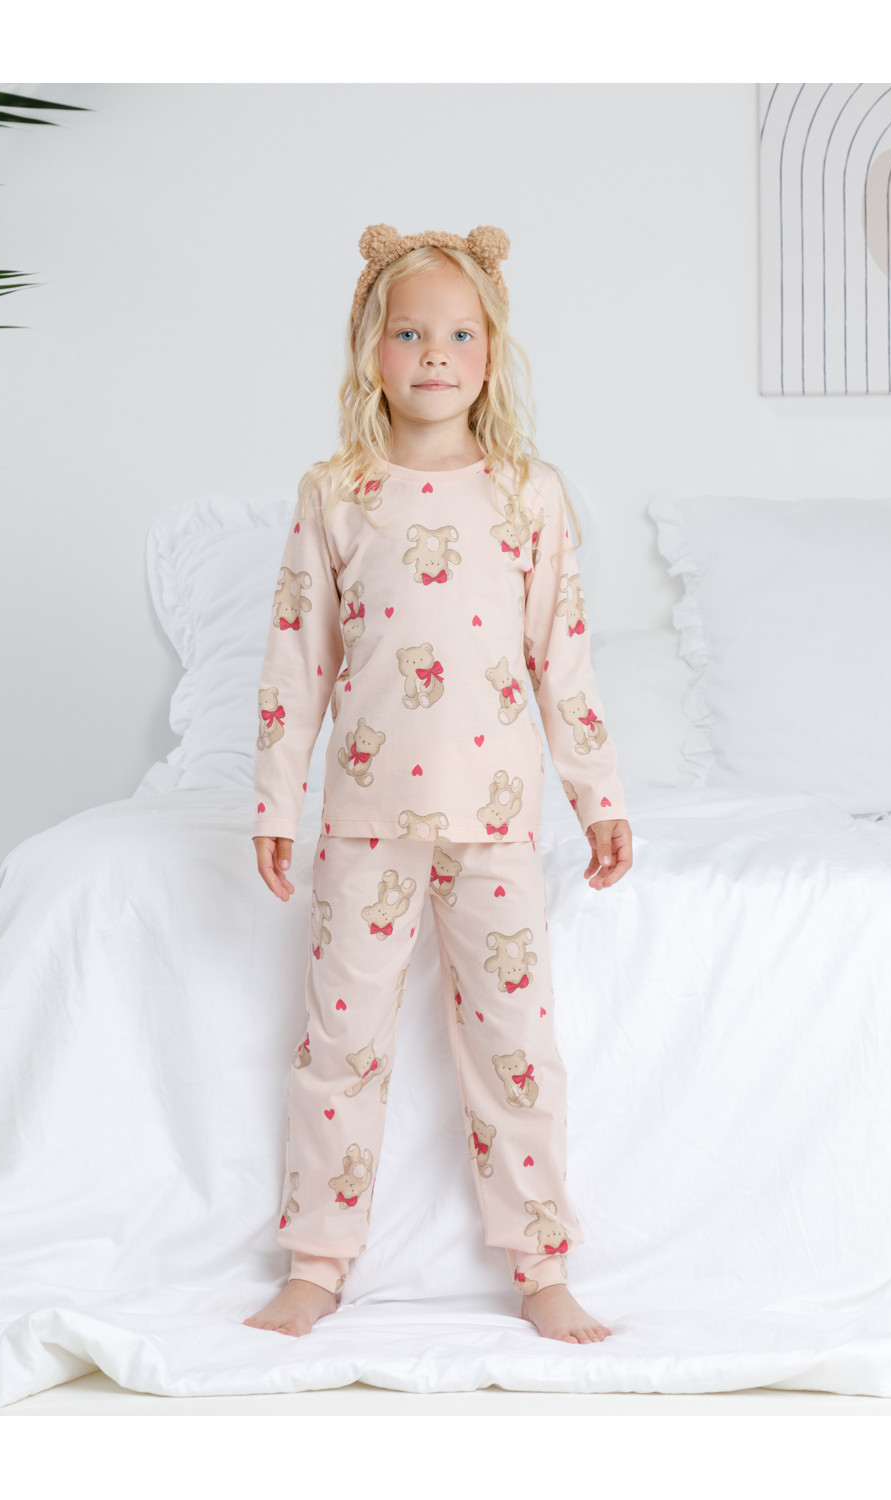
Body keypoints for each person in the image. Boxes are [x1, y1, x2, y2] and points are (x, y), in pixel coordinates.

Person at [243, 223, 633, 1345]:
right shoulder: (337, 493)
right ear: (371, 351)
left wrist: (599, 796)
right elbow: (296, 662)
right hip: (365, 820)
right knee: (339, 1044)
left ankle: (541, 1263)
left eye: (460, 334)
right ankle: (318, 1261)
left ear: (492, 353)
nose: (435, 354)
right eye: (410, 333)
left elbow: (562, 661)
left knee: (516, 1048)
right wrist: (275, 799)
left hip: (496, 821)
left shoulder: (528, 494)